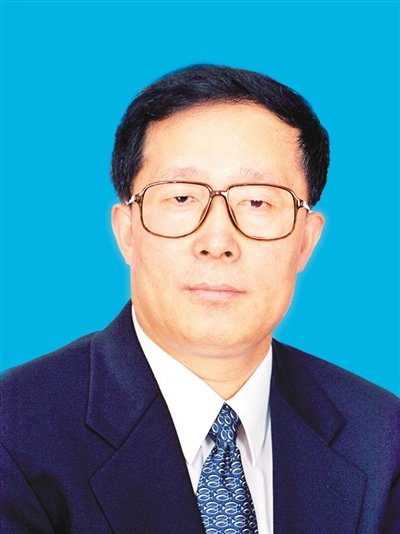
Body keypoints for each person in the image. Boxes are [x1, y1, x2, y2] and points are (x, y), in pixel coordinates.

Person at [1, 65, 399, 534]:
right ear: (126, 232)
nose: (217, 241)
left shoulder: (382, 437)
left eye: (257, 202)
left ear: (305, 242)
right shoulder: (15, 430)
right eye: (181, 198)